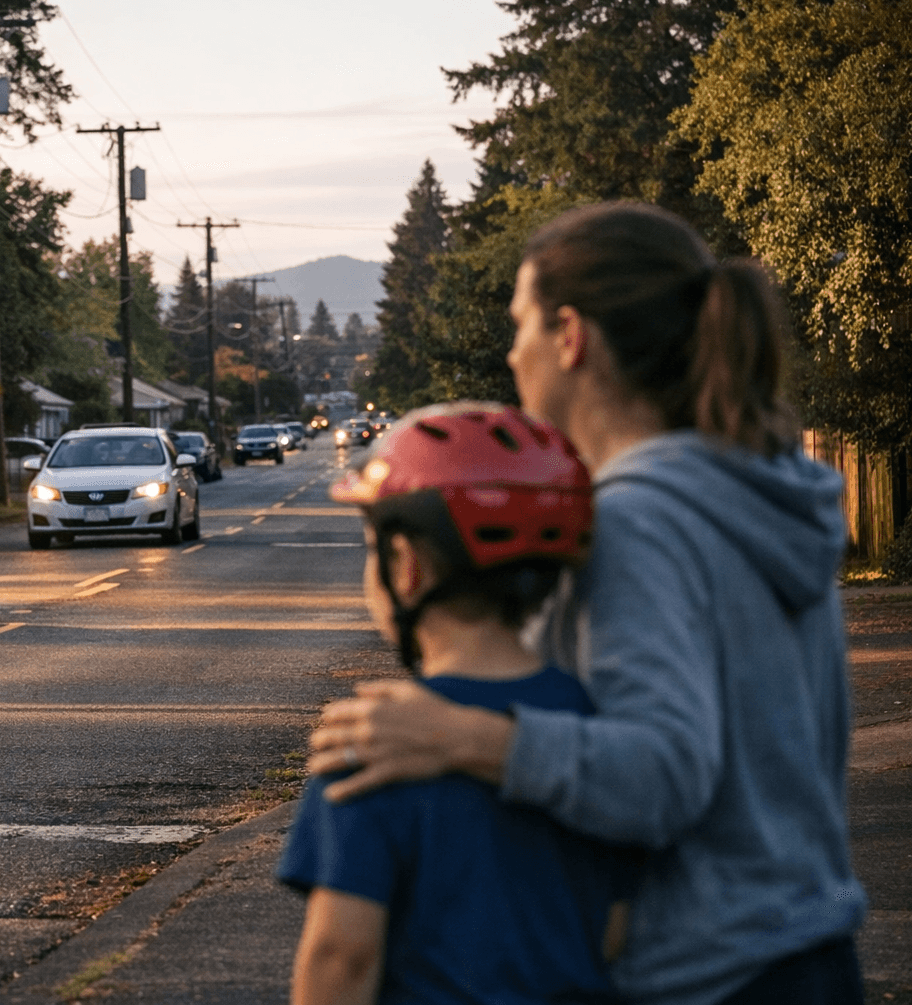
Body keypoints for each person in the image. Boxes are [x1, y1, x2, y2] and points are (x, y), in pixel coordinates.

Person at [309, 202, 865, 1005]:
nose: (511, 355)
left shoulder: (639, 522)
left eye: (519, 326)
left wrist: (462, 736)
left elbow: (666, 774)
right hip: (804, 949)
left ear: (569, 337)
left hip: (709, 975)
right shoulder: (753, 497)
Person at [280, 403, 640, 1005]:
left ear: (407, 568)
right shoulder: (591, 728)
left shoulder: (377, 740)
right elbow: (615, 928)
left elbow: (341, 958)